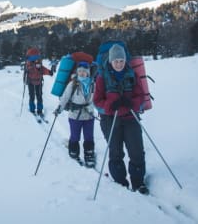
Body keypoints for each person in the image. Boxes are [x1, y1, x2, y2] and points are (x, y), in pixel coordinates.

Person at [93, 44, 149, 195]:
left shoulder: (132, 75)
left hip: (131, 117)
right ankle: (120, 183)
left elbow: (141, 96)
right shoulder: (101, 78)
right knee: (115, 153)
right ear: (110, 61)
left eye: (121, 60)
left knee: (136, 152)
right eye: (116, 60)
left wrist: (133, 103)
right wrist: (111, 105)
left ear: (125, 61)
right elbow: (97, 102)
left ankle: (138, 182)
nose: (119, 63)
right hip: (110, 120)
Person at [54, 61, 96, 168]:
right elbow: (65, 97)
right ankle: (73, 151)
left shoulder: (93, 84)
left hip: (89, 115)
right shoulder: (73, 84)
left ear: (88, 73)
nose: (82, 73)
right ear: (77, 72)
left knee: (89, 136)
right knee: (75, 136)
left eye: (84, 71)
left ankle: (89, 154)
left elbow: (96, 99)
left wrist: (92, 107)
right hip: (75, 115)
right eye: (80, 71)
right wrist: (59, 108)